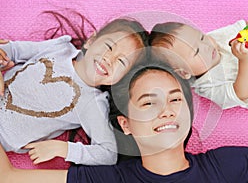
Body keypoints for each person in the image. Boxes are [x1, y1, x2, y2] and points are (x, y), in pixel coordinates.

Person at [0, 58, 248, 183]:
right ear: (125, 124)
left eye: (175, 99)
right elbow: (9, 177)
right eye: (148, 102)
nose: (167, 110)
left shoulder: (229, 165)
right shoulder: (111, 178)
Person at [0, 10, 149, 165]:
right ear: (91, 40)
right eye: (108, 47)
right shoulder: (59, 48)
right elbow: (13, 50)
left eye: (122, 62)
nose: (108, 59)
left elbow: (108, 153)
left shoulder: (92, 103)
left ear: (122, 78)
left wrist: (62, 149)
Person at [149, 20, 248, 119]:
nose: (206, 46)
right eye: (196, 51)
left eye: (201, 37)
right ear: (184, 72)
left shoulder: (215, 38)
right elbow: (242, 93)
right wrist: (245, 60)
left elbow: (246, 27)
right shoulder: (209, 86)